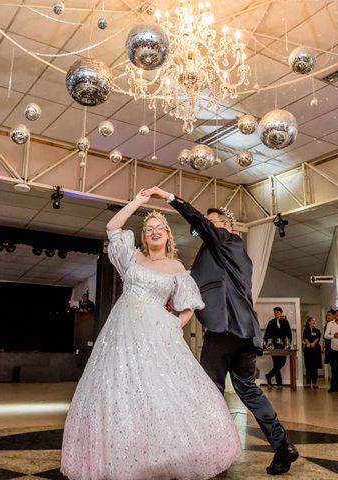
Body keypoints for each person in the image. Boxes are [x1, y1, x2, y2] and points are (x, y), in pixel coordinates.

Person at [61, 191, 240, 480]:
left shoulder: (177, 269)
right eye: (149, 229)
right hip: (121, 333)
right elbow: (112, 228)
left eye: (160, 228)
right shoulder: (131, 259)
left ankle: (166, 454)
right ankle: (127, 454)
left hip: (158, 334)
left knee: (160, 389)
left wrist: (175, 324)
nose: (154, 232)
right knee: (122, 389)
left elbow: (188, 306)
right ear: (144, 236)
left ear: (168, 235)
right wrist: (138, 202)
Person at [146, 185, 298, 476]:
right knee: (249, 391)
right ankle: (283, 447)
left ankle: (209, 452)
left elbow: (199, 223)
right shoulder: (236, 253)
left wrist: (170, 198)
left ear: (225, 225)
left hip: (225, 329)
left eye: (211, 222)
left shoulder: (224, 240)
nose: (204, 226)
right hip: (245, 333)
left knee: (207, 391)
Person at [264, 306, 292, 387]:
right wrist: (266, 344)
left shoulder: (285, 322)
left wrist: (289, 344)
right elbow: (267, 334)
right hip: (273, 346)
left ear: (281, 313)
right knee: (276, 364)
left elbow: (289, 334)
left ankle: (268, 375)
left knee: (282, 362)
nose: (276, 314)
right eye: (275, 312)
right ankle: (279, 384)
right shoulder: (271, 322)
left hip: (283, 345)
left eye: (277, 312)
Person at [302, 318, 322, 388]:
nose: (314, 322)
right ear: (308, 322)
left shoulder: (317, 331)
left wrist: (313, 343)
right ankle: (308, 383)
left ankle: (314, 383)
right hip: (308, 351)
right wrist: (307, 343)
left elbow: (317, 338)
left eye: (314, 321)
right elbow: (305, 338)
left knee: (314, 367)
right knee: (308, 367)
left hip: (315, 350)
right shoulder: (305, 330)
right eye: (312, 321)